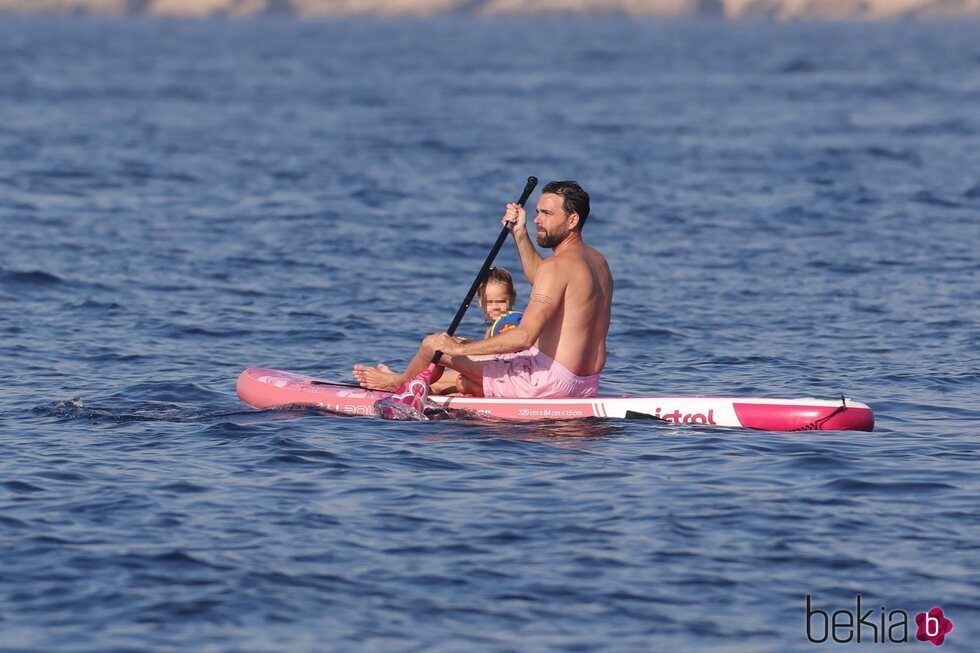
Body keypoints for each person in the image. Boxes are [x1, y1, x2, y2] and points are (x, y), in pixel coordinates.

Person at [353, 180, 612, 399]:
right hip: (586, 385)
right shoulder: (597, 262)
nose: (537, 220)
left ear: (572, 220)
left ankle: (396, 386)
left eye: (546, 213)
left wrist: (456, 350)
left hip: (545, 383)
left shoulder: (555, 267)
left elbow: (523, 337)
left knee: (435, 346)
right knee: (466, 368)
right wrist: (519, 233)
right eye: (536, 212)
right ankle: (450, 385)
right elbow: (543, 279)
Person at [364, 267, 522, 395]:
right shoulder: (495, 326)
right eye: (489, 302)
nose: (495, 307)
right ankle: (408, 382)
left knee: (457, 376)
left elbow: (507, 348)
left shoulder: (509, 322)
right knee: (443, 380)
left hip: (505, 376)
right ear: (480, 301)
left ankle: (398, 383)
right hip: (496, 373)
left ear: (512, 299)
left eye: (501, 301)